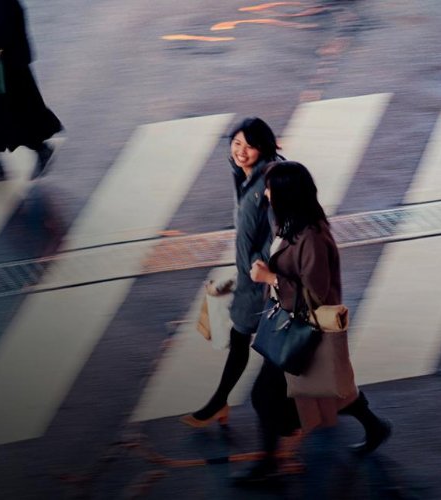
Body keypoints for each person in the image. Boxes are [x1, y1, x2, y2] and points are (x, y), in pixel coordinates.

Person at [236, 161, 391, 485]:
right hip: (292, 323)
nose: (266, 194)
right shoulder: (293, 224)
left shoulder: (313, 237)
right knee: (325, 389)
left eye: (270, 189)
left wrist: (271, 278)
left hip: (304, 328)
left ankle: (268, 465)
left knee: (265, 395)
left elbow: (315, 293)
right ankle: (374, 427)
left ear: (287, 195)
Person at [180, 118, 281, 428]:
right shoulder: (245, 175)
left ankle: (219, 403)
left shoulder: (270, 183)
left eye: (249, 146)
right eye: (236, 144)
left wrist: (259, 264)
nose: (241, 151)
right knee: (253, 340)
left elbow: (281, 234)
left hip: (263, 280)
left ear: (263, 147)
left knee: (250, 340)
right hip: (252, 275)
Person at [0, 0, 63, 183]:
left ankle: (40, 149)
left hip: (8, 70)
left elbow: (0, 39)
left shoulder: (4, 4)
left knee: (9, 117)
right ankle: (1, 164)